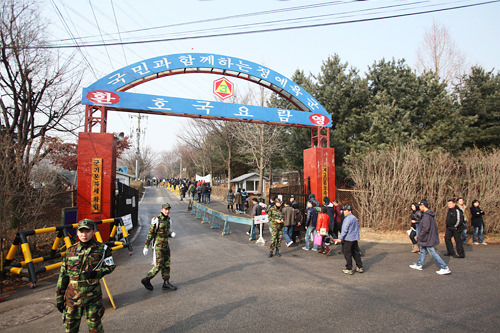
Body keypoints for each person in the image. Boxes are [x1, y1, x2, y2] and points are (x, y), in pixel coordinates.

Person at [56, 219, 116, 332]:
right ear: (77, 233)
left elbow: (110, 266)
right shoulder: (70, 251)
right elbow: (63, 275)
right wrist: (59, 297)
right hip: (72, 296)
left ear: (93, 232)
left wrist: (96, 273)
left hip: (93, 296)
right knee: (70, 328)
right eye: (81, 231)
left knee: (95, 328)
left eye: (87, 231)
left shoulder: (102, 249)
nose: (84, 234)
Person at [141, 203, 178, 291]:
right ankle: (147, 279)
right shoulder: (156, 220)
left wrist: (170, 234)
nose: (167, 211)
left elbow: (166, 232)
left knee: (167, 264)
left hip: (166, 245)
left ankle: (166, 282)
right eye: (165, 209)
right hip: (158, 245)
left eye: (168, 209)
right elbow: (151, 234)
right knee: (159, 265)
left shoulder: (169, 220)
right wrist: (146, 246)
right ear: (161, 210)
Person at [409, 200, 451, 275]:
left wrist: (420, 236)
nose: (419, 208)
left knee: (432, 252)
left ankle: (444, 267)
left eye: (420, 206)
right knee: (422, 250)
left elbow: (426, 228)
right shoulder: (426, 214)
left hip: (427, 238)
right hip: (426, 238)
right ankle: (419, 264)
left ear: (423, 206)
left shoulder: (426, 216)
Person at [333, 204, 363, 275]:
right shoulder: (354, 218)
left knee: (348, 254)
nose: (344, 212)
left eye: (345, 210)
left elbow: (344, 230)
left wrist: (340, 238)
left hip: (348, 239)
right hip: (354, 238)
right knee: (356, 253)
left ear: (349, 211)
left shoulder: (347, 219)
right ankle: (359, 267)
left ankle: (349, 268)